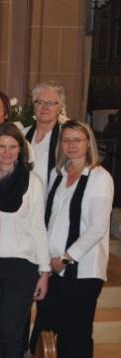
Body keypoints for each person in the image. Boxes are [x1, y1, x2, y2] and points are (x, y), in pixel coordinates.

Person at [30, 120, 115, 357]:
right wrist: (47, 263)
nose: (71, 145)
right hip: (53, 269)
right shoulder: (57, 175)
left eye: (77, 139)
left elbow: (98, 227)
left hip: (82, 272)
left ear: (88, 143)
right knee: (45, 333)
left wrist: (66, 259)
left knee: (75, 336)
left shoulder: (100, 177)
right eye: (66, 139)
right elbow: (48, 221)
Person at [0, 123, 50, 358]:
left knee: (11, 333)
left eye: (12, 147)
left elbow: (38, 226)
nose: (7, 152)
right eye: (1, 146)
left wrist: (45, 271)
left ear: (21, 150)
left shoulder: (33, 182)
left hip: (22, 265)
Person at [22, 81, 67, 186]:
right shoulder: (21, 135)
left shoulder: (65, 139)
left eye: (51, 103)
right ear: (34, 105)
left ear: (60, 108)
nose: (45, 108)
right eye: (40, 102)